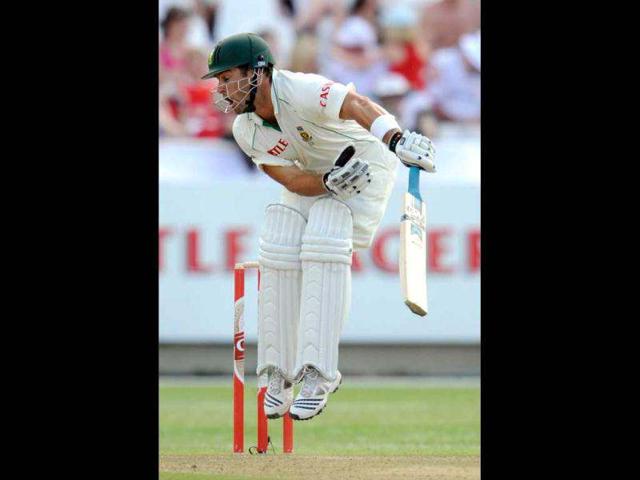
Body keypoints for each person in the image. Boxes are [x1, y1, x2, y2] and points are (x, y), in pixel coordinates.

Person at [202, 32, 436, 421]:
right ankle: (277, 371)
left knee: (326, 231)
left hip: (368, 164)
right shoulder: (246, 130)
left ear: (257, 72)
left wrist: (396, 140)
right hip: (317, 173)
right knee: (278, 231)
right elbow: (292, 182)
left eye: (227, 77)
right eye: (219, 81)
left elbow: (356, 104)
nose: (222, 88)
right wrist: (327, 181)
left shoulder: (299, 89)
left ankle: (319, 374)